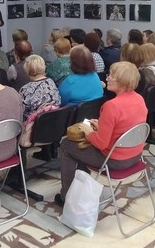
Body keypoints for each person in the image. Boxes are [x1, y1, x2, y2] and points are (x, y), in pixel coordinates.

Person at [55, 61, 147, 205]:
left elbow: (101, 143)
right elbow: (126, 128)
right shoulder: (140, 99)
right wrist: (101, 126)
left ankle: (66, 197)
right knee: (80, 150)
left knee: (67, 144)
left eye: (112, 76)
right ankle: (81, 187)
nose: (107, 78)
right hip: (135, 156)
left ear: (123, 81)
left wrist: (89, 132)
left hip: (114, 160)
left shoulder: (112, 106)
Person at [19, 55, 61, 121]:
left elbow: (21, 113)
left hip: (33, 127)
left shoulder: (25, 89)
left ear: (27, 69)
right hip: (54, 123)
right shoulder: (51, 82)